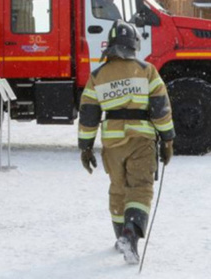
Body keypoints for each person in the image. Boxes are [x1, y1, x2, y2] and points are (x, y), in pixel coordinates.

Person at [78, 20, 175, 265]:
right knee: (140, 187)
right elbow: (161, 109)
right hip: (142, 139)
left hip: (113, 144)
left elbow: (89, 114)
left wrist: (85, 147)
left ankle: (121, 234)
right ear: (134, 45)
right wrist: (167, 140)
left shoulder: (98, 75)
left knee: (118, 187)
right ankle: (131, 233)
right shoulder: (147, 70)